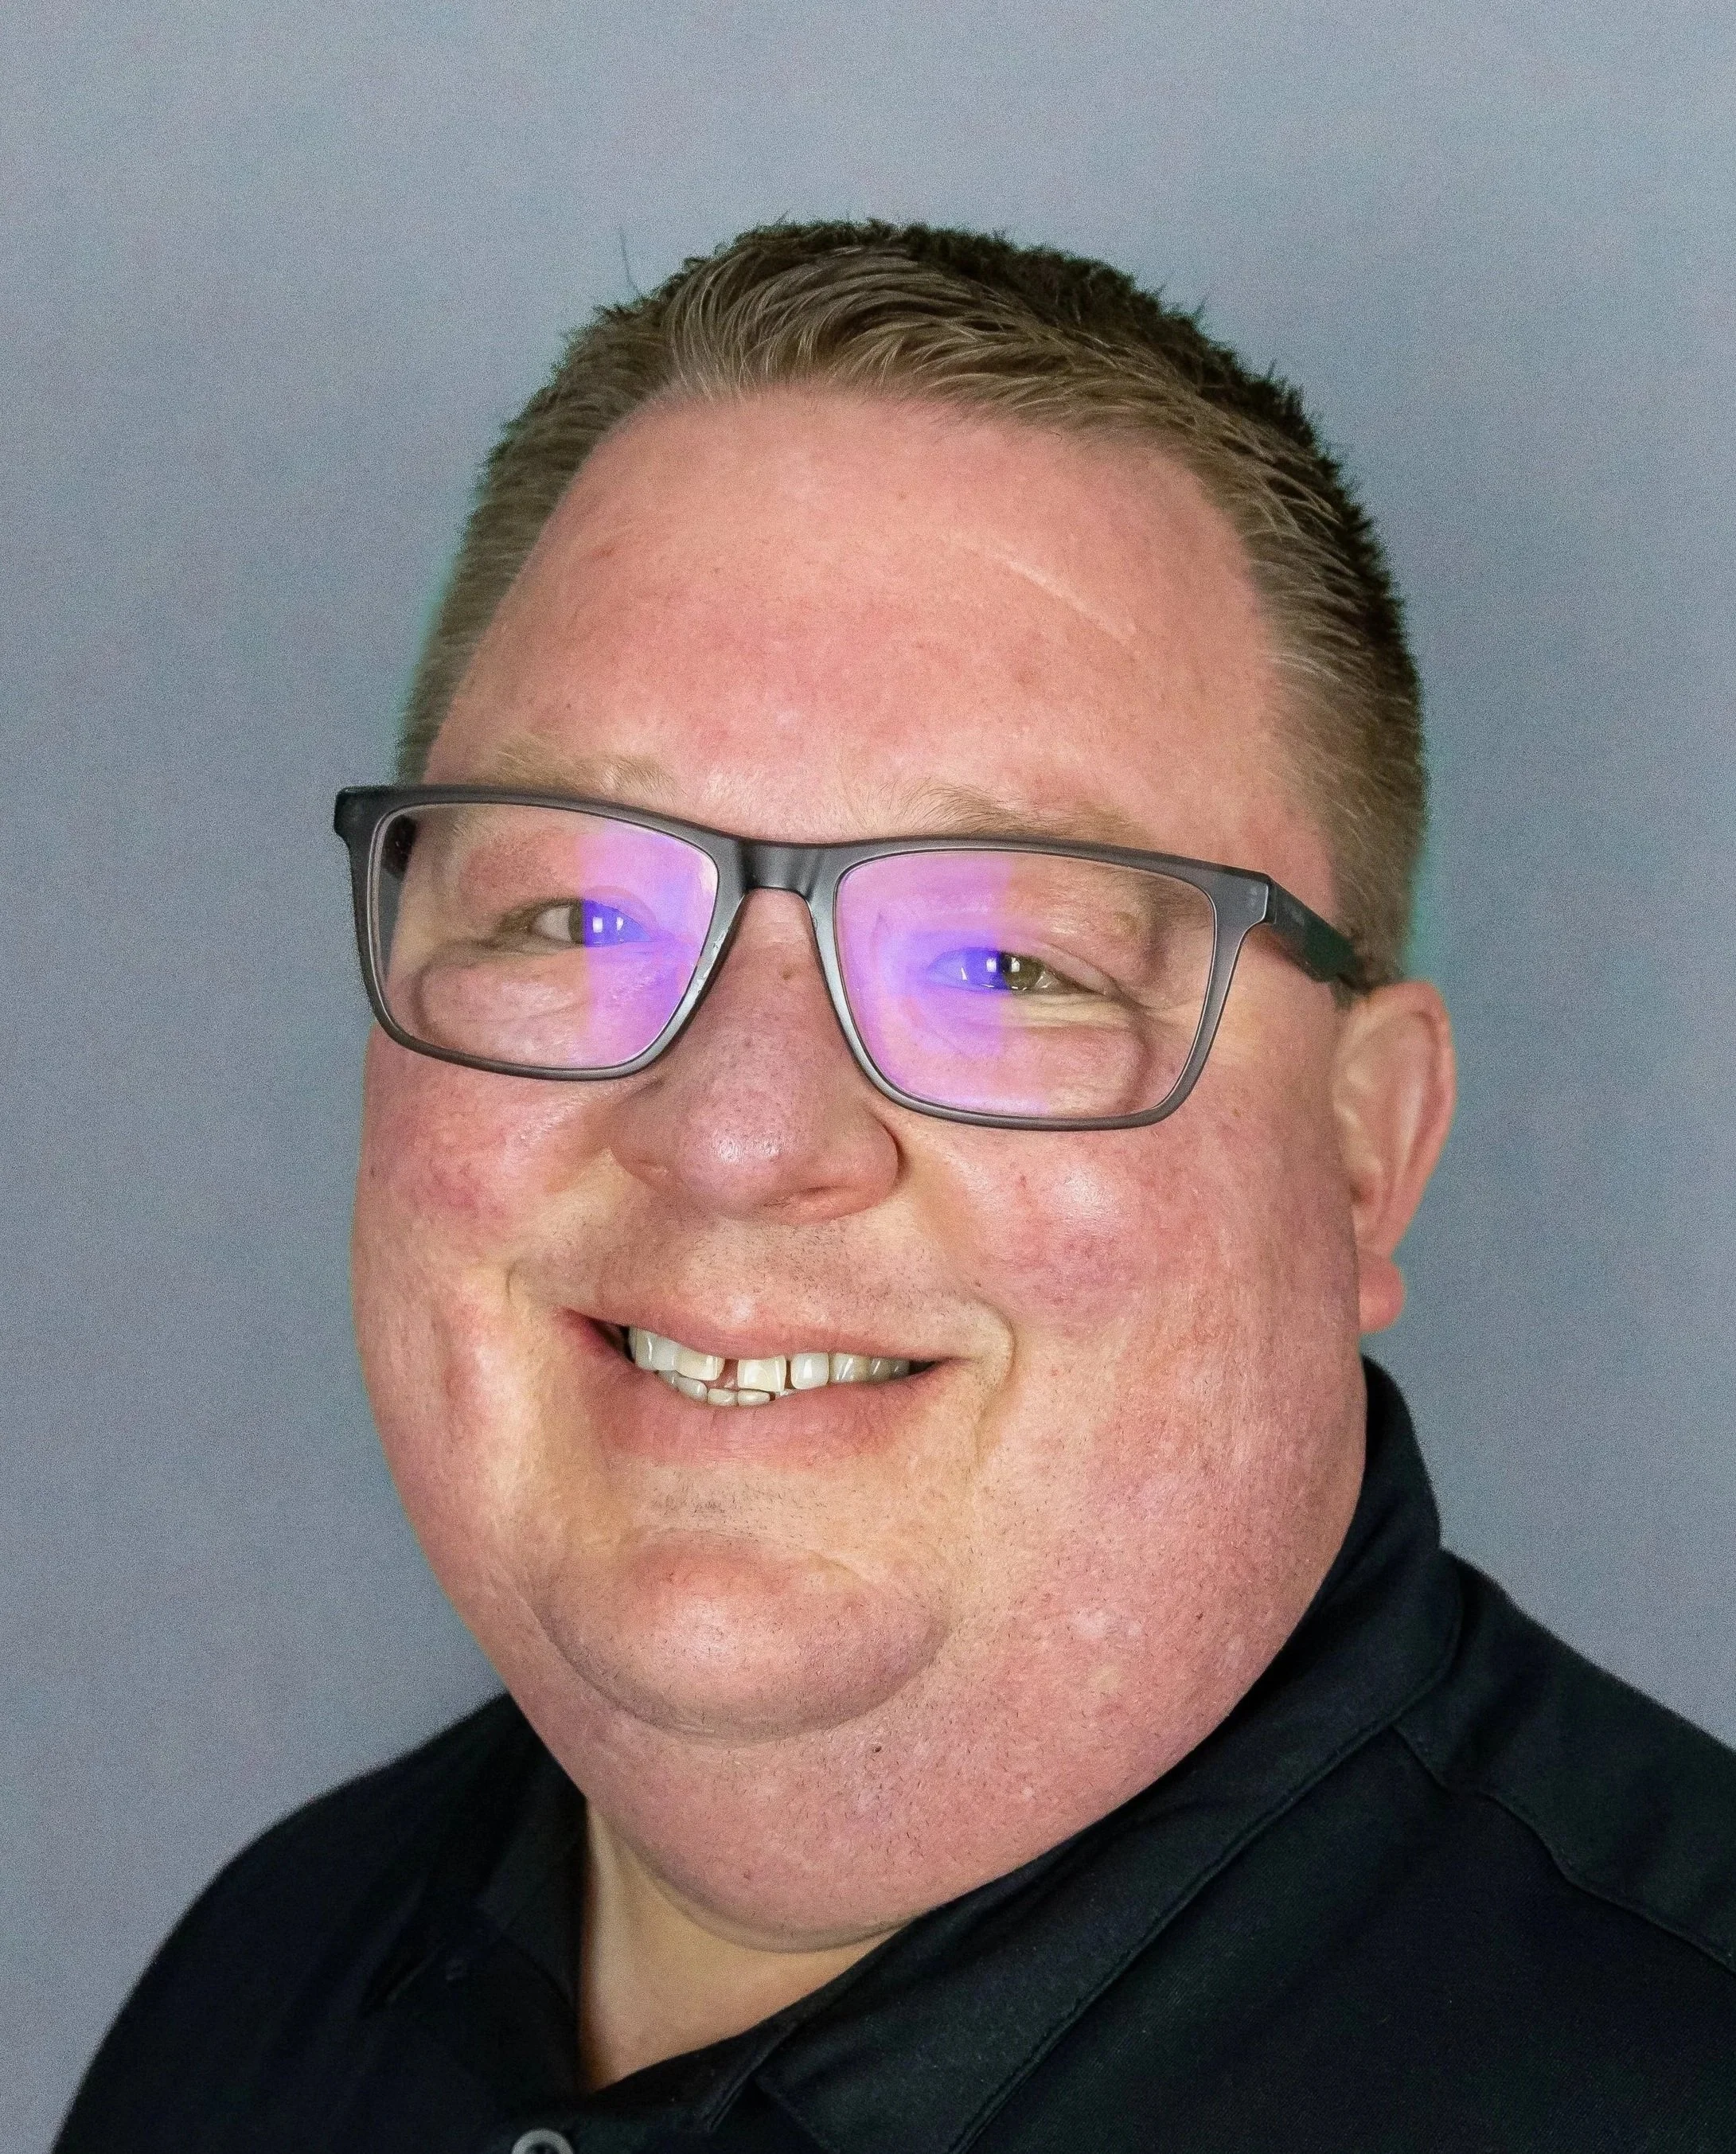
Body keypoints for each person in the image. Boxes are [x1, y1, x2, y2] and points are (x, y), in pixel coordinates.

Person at [57, 221, 1736, 2153]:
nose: (738, 1137)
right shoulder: (263, 1991)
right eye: (576, 910)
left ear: (1365, 1156)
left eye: (1011, 965)